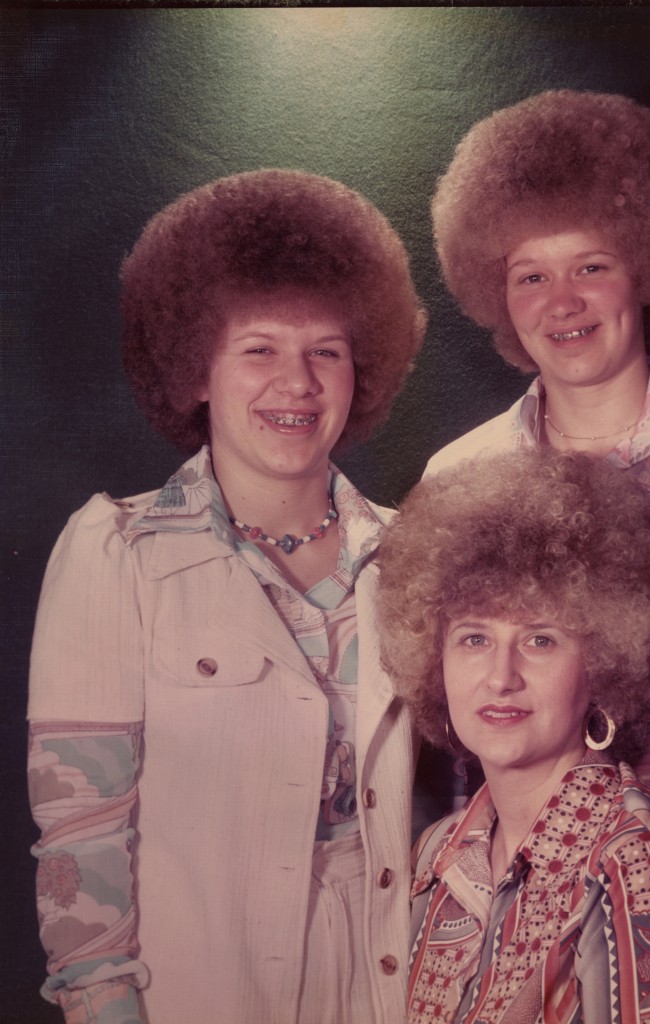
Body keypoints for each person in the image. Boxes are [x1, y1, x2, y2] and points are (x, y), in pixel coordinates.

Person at [425, 89, 650, 1022]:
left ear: (646, 268)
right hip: (523, 856)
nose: (562, 302)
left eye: (590, 265)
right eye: (529, 275)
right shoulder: (459, 475)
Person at [27, 169, 426, 1024]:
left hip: (390, 983)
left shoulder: (415, 554)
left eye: (326, 351)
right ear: (196, 369)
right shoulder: (117, 552)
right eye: (259, 349)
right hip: (197, 988)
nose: (297, 382)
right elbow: (80, 835)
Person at [377, 448, 650, 1023]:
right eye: (474, 639)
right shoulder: (437, 855)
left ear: (603, 666)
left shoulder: (647, 863)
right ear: (433, 661)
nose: (501, 677)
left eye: (540, 640)